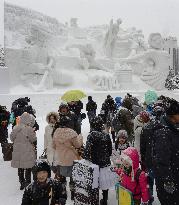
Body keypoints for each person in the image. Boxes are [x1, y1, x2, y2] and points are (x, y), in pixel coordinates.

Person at [153, 99, 179, 205]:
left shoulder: (173, 129)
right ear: (172, 115)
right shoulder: (163, 133)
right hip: (170, 183)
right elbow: (162, 161)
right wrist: (168, 181)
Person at [53, 115, 83, 200]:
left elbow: (53, 146)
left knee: (62, 178)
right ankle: (73, 194)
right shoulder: (72, 132)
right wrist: (80, 138)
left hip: (61, 159)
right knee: (72, 178)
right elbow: (78, 145)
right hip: (71, 159)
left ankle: (63, 193)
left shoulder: (56, 132)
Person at [84, 116, 112, 205]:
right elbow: (110, 150)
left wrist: (87, 160)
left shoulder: (91, 135)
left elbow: (87, 150)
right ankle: (104, 200)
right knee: (105, 184)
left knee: (94, 183)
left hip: (94, 164)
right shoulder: (106, 135)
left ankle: (94, 200)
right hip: (105, 163)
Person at [140, 104, 165, 204]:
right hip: (162, 161)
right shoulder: (166, 127)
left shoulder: (146, 128)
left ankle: (149, 198)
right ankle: (164, 199)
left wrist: (143, 160)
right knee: (162, 182)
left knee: (149, 181)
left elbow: (143, 147)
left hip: (150, 160)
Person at [10, 112, 37, 190]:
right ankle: (28, 183)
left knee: (20, 167)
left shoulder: (16, 127)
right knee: (28, 166)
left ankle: (22, 182)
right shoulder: (29, 128)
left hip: (18, 150)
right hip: (27, 150)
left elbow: (11, 138)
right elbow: (33, 139)